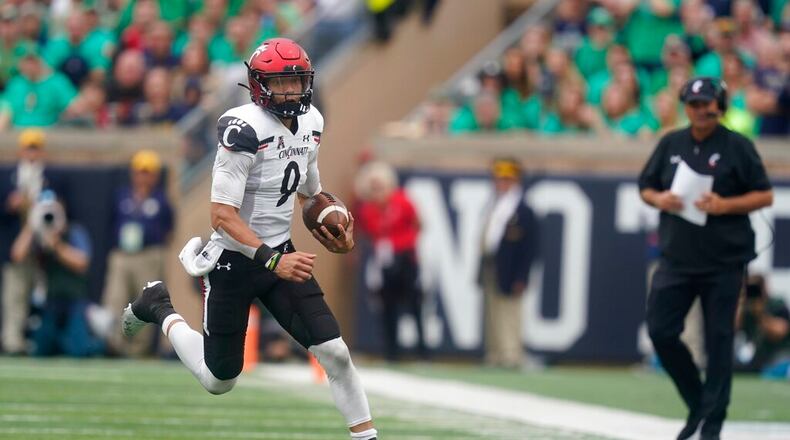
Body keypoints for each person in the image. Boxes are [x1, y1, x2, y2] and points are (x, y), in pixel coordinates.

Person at [121, 38, 378, 440]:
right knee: (218, 379)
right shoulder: (243, 128)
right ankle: (159, 307)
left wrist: (334, 228)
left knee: (336, 353)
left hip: (280, 255)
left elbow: (309, 195)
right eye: (280, 82)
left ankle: (366, 437)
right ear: (259, 85)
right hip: (234, 259)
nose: (291, 91)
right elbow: (221, 216)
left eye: (297, 81)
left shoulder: (312, 121)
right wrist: (273, 260)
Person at [639, 76, 773, 440]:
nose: (700, 110)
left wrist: (725, 205)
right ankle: (699, 402)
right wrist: (659, 198)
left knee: (718, 340)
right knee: (661, 331)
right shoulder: (671, 143)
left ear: (719, 106)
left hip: (723, 261)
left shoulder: (737, 147)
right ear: (686, 107)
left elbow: (764, 195)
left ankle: (711, 424)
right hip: (677, 258)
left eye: (706, 104)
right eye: (694, 104)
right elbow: (645, 185)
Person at [101, 150, 173, 357]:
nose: (143, 176)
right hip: (123, 254)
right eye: (140, 172)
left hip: (148, 255)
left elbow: (169, 228)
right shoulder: (122, 195)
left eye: (147, 172)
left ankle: (138, 350)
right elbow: (111, 221)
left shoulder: (161, 200)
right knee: (115, 298)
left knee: (144, 302)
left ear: (155, 175)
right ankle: (114, 344)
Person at [10, 191, 100, 357]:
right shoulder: (39, 235)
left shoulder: (74, 232)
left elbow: (82, 263)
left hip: (74, 302)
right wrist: (32, 224)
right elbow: (17, 255)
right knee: (41, 350)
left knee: (79, 350)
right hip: (50, 303)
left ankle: (99, 343)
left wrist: (57, 246)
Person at [355, 161, 427, 362]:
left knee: (414, 303)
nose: (377, 192)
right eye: (373, 187)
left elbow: (418, 223)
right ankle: (391, 351)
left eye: (380, 186)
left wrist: (407, 243)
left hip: (405, 257)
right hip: (384, 260)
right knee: (388, 305)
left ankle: (422, 350)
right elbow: (369, 233)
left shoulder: (402, 201)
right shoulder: (368, 209)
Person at [1, 129, 59, 354]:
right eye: (28, 147)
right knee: (14, 294)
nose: (32, 153)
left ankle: (40, 342)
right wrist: (11, 205)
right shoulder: (8, 177)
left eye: (36, 147)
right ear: (21, 150)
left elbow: (59, 211)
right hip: (17, 244)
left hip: (43, 246)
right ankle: (12, 341)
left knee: (42, 296)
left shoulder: (51, 178)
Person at [479, 158, 539, 369]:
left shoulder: (523, 210)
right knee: (492, 310)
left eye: (507, 180)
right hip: (491, 265)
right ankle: (495, 352)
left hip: (510, 269)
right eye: (499, 179)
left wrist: (522, 275)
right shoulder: (494, 204)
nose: (501, 184)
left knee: (510, 311)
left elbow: (530, 247)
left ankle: (511, 353)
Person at [734, 274, 790, 373]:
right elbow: (733, 328)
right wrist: (741, 304)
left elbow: (780, 331)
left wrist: (760, 314)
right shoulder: (747, 310)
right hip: (756, 356)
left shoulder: (776, 304)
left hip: (779, 354)